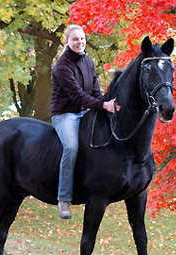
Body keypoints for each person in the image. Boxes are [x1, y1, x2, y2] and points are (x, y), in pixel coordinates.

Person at [50, 24, 119, 219]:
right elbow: (78, 95)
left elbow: (95, 90)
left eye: (82, 39)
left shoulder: (87, 60)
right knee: (71, 148)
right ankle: (64, 199)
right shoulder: (62, 66)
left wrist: (108, 105)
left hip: (85, 111)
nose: (79, 42)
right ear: (67, 42)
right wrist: (102, 106)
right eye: (75, 39)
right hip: (65, 114)